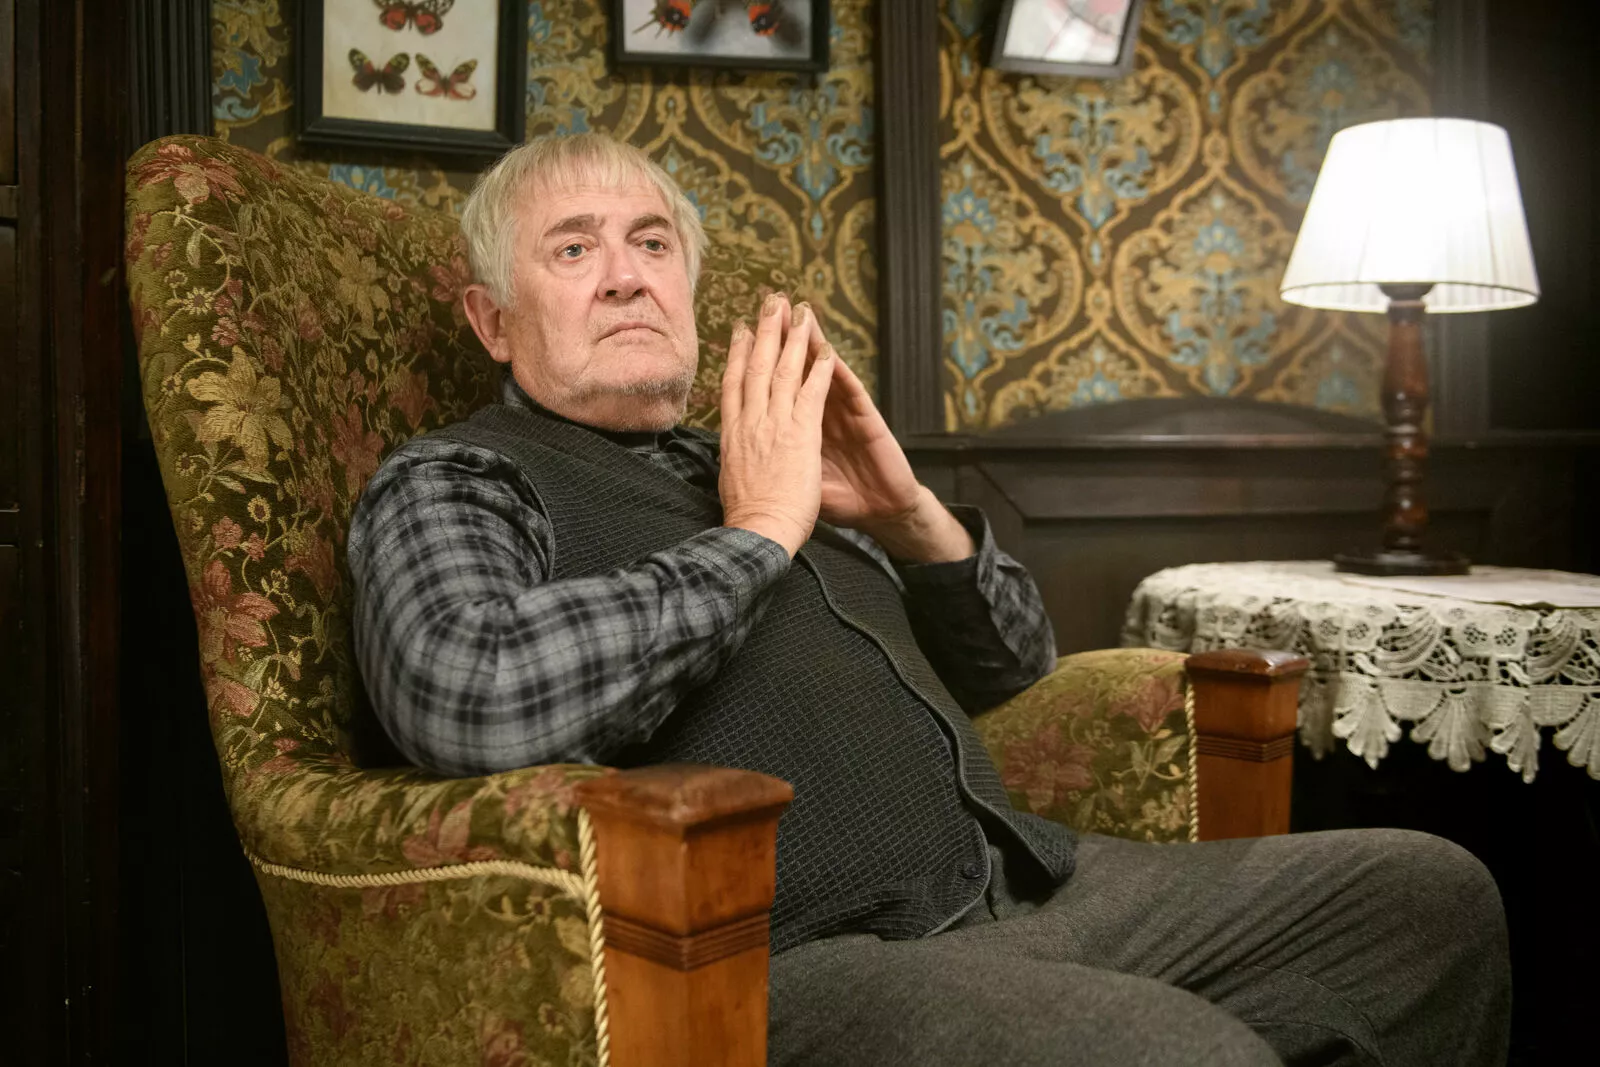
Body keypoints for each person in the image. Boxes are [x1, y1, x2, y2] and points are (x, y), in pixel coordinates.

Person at [347, 133, 1510, 1067]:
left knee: (1427, 896)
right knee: (1176, 1050)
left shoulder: (766, 448)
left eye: (652, 241)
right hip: (809, 956)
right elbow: (469, 695)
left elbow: (1017, 669)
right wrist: (757, 533)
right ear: (493, 320)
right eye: (572, 248)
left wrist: (909, 516)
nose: (625, 273)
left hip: (1039, 884)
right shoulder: (462, 475)